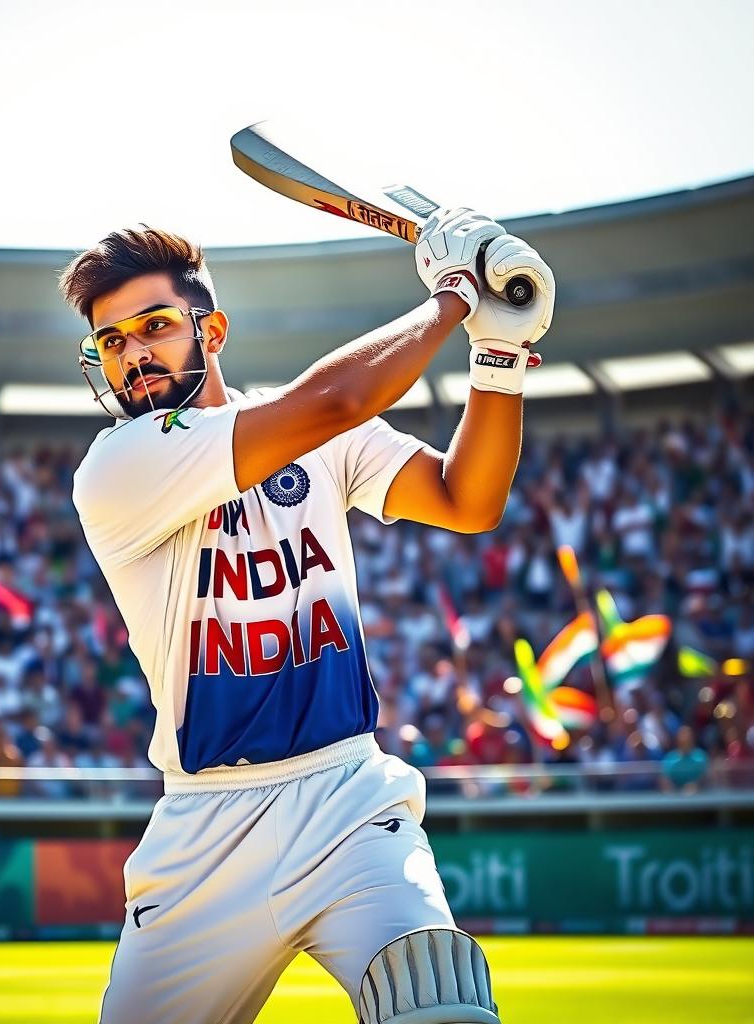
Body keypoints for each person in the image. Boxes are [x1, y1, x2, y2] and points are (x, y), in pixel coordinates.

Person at [63, 210, 555, 1024]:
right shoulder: (120, 463)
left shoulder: (314, 431)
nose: (133, 355)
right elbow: (336, 399)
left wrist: (497, 358)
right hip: (204, 834)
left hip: (348, 802)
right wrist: (454, 297)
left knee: (443, 1007)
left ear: (210, 329)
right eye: (111, 343)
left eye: (153, 327)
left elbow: (468, 499)